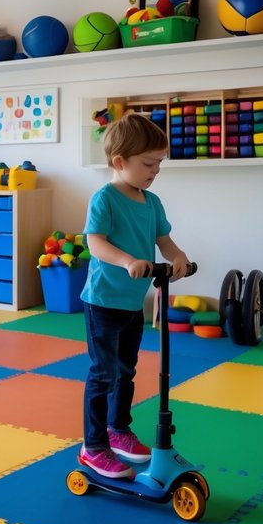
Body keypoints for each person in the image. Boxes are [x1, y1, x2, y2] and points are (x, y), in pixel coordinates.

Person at [80, 112, 191, 480]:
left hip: (132, 303)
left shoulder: (152, 202)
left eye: (159, 163)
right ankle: (93, 446)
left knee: (126, 370)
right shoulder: (105, 199)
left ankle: (118, 429)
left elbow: (164, 240)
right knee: (103, 373)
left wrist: (177, 256)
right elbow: (95, 243)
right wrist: (127, 261)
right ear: (120, 162)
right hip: (103, 300)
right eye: (148, 163)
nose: (155, 170)